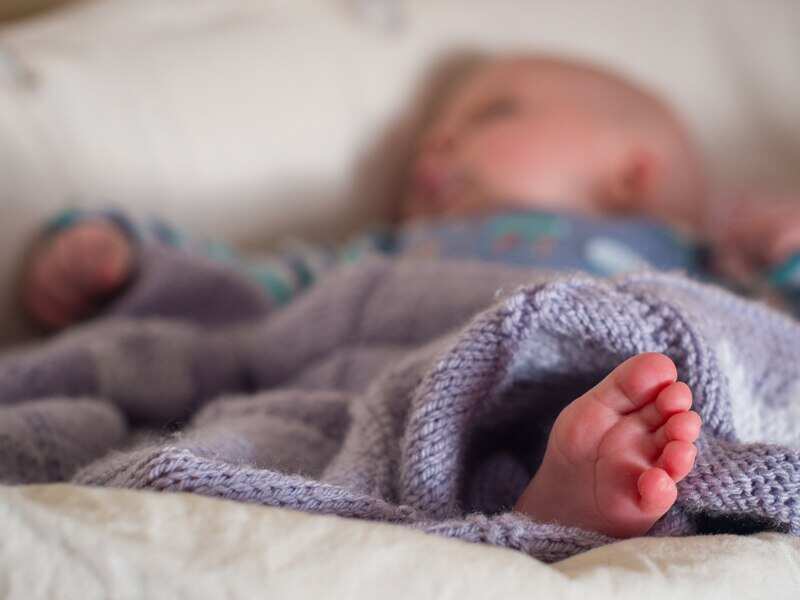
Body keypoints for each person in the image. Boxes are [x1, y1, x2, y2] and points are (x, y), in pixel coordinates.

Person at [18, 55, 800, 539]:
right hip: (382, 385)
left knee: (653, 387)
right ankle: (549, 506)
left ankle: (567, 492)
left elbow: (767, 353)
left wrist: (787, 252)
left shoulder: (677, 258)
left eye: (488, 115)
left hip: (565, 379)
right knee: (257, 443)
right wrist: (118, 256)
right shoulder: (383, 252)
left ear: (632, 175)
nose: (436, 145)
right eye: (434, 134)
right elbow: (240, 292)